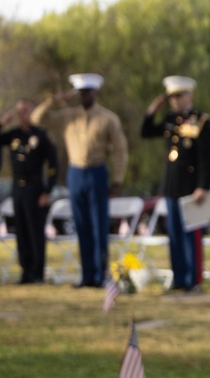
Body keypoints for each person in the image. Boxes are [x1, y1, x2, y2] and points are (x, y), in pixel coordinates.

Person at [31, 73, 129, 288]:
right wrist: (53, 101)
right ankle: (86, 275)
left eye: (88, 92)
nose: (84, 97)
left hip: (97, 172)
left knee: (98, 225)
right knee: (82, 225)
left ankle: (99, 274)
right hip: (76, 173)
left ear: (96, 93)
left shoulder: (108, 118)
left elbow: (120, 151)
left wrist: (117, 180)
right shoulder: (69, 116)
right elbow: (36, 118)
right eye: (81, 93)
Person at [141, 76, 210, 293]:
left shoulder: (200, 120)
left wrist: (203, 185)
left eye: (178, 96)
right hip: (172, 185)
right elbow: (145, 132)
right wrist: (152, 110)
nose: (174, 100)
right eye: (171, 97)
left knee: (192, 235)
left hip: (192, 186)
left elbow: (206, 157)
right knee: (174, 235)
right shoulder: (170, 120)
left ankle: (194, 280)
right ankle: (179, 278)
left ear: (189, 95)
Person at [0, 99, 59, 284]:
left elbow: (53, 164)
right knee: (21, 231)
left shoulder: (41, 134)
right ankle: (25, 271)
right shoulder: (14, 134)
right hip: (18, 188)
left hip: (35, 189)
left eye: (25, 110)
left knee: (35, 232)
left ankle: (37, 272)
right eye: (18, 111)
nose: (21, 114)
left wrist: (47, 191)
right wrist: (3, 121)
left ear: (33, 111)